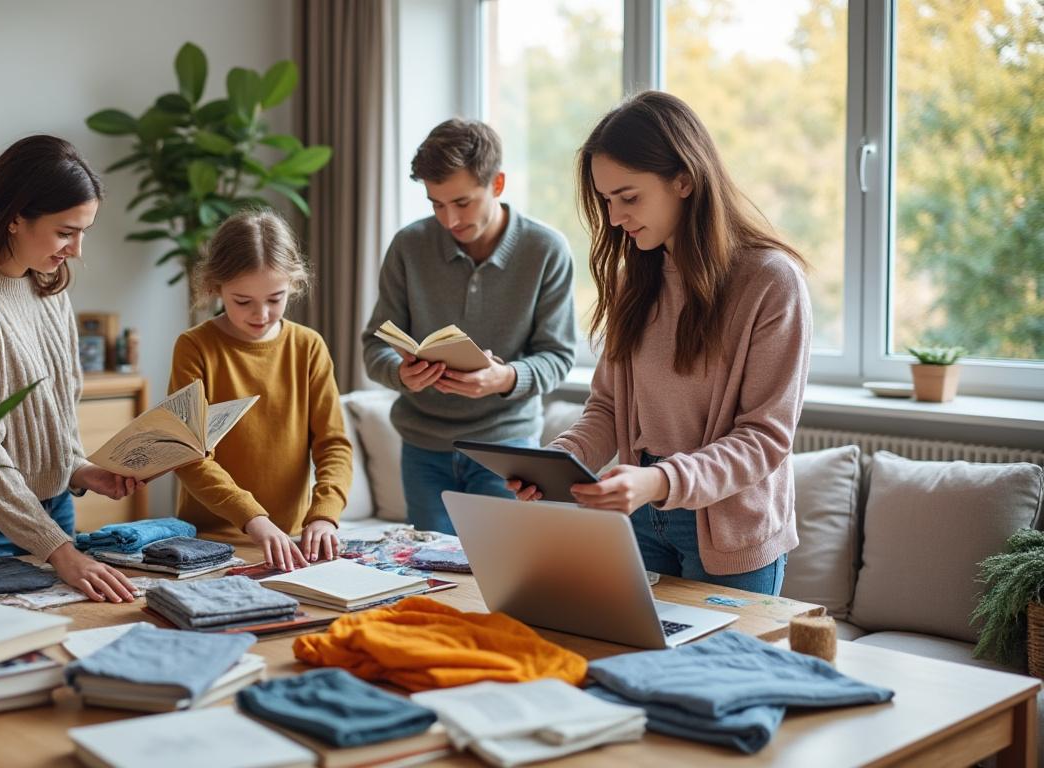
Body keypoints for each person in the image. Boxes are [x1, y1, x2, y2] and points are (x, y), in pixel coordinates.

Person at [510, 91, 812, 596]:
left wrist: (660, 482)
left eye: (629, 197)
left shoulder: (771, 282)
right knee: (626, 666)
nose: (613, 218)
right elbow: (607, 407)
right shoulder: (637, 278)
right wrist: (558, 463)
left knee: (712, 675)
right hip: (642, 516)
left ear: (684, 179)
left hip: (729, 528)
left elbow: (765, 438)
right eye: (607, 201)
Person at [0, 134, 141, 603]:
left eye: (83, 232)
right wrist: (57, 548)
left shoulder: (48, 287)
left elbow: (47, 417)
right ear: (15, 217)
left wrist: (78, 469)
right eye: (65, 232)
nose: (76, 250)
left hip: (54, 512)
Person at [361, 118, 577, 534]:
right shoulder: (409, 246)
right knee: (432, 581)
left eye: (462, 202)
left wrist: (505, 378)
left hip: (505, 447)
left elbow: (559, 355)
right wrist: (399, 372)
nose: (448, 220)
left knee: (504, 580)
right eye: (435, 204)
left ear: (497, 184)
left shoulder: (545, 250)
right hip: (422, 449)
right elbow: (375, 344)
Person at [170, 209, 353, 571]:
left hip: (292, 542)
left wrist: (324, 515)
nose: (262, 314)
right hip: (209, 544)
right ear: (215, 286)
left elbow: (333, 445)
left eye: (275, 298)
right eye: (243, 301)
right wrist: (254, 519)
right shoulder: (195, 347)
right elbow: (188, 455)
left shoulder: (308, 346)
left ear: (294, 285)